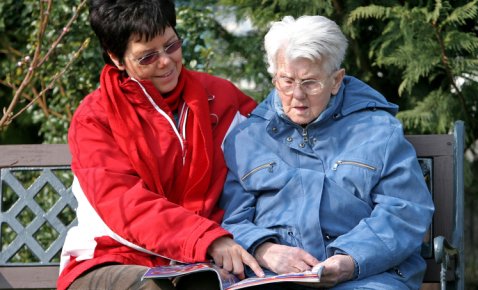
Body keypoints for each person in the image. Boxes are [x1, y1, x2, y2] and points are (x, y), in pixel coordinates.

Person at [57, 0, 264, 289]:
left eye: (171, 46)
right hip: (113, 258)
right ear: (116, 58)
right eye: (147, 57)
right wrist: (206, 238)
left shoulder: (222, 96)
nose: (165, 62)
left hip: (200, 260)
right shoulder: (94, 118)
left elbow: (272, 160)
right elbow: (124, 205)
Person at [220, 15, 435, 290]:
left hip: (367, 276)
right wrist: (265, 250)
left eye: (310, 82)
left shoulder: (378, 130)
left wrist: (351, 259)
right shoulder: (247, 137)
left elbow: (405, 211)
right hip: (272, 276)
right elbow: (231, 219)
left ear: (336, 80)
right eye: (287, 81)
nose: (297, 95)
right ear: (274, 78)